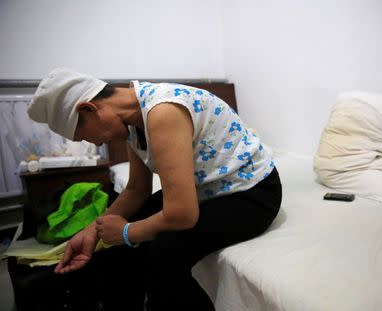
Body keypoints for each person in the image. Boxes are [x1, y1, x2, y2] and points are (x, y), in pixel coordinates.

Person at [28, 67, 282, 310]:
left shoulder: (163, 112)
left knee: (165, 253)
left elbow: (182, 215)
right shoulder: (134, 117)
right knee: (132, 223)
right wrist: (91, 232)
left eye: (83, 136)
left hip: (251, 192)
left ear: (89, 108)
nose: (95, 142)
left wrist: (127, 232)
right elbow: (137, 190)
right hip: (210, 188)